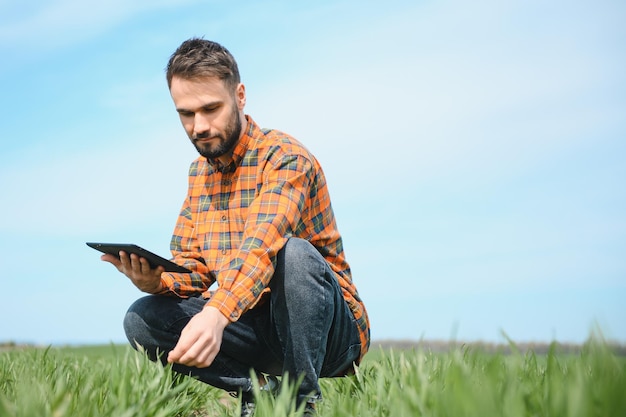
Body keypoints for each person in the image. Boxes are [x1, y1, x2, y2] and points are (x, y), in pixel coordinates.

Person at [100, 38, 370, 416]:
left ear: (240, 96)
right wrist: (156, 282)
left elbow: (262, 246)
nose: (199, 126)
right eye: (186, 114)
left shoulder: (285, 158)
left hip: (328, 334)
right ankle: (257, 391)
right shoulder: (198, 176)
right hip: (252, 324)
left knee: (293, 255)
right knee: (141, 319)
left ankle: (300, 403)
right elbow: (194, 268)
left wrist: (215, 314)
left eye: (211, 108)